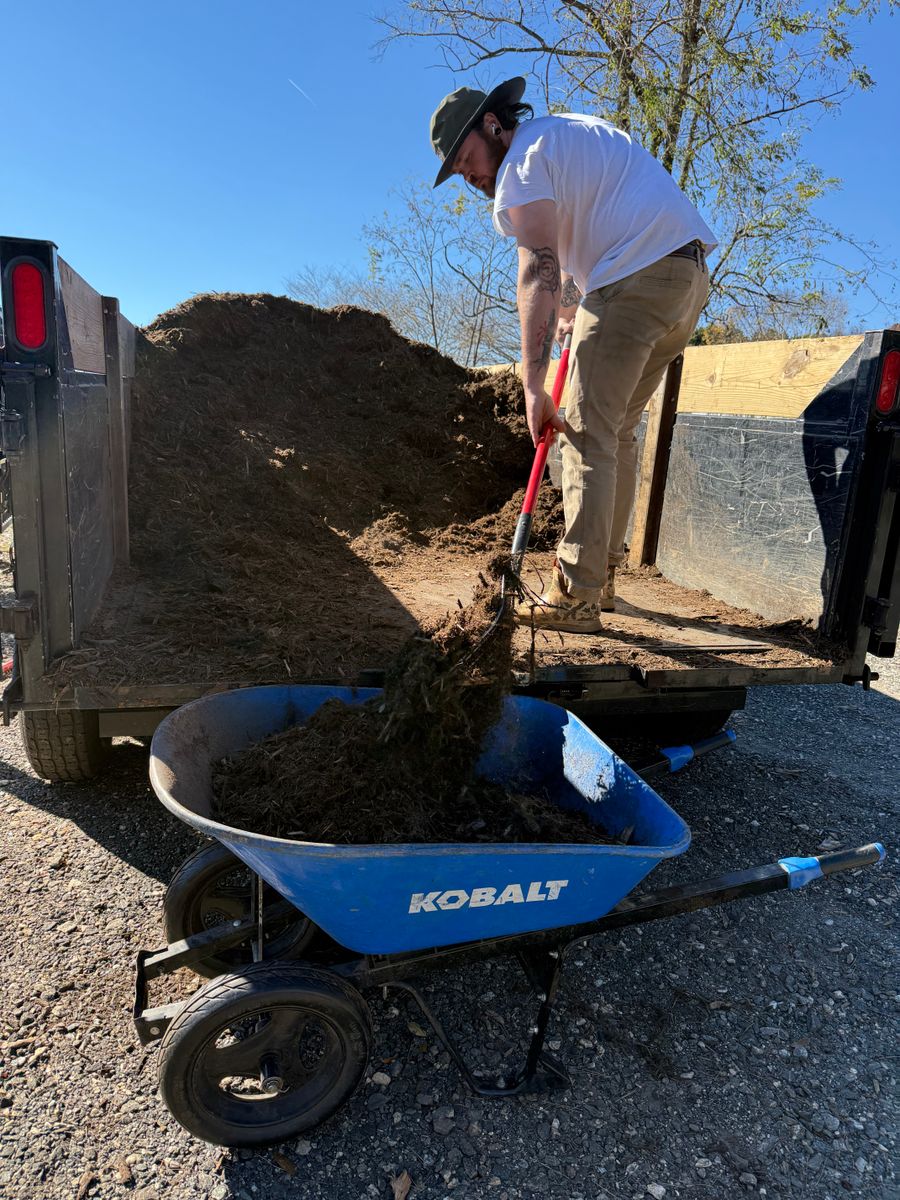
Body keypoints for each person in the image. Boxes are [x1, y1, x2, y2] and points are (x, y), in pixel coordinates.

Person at [429, 77, 716, 633]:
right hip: (684, 278)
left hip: (634, 278)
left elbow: (539, 266)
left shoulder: (521, 163)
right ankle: (602, 578)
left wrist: (533, 385)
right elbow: (605, 216)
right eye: (460, 173)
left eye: (467, 160)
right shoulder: (567, 132)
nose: (470, 176)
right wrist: (573, 307)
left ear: (493, 125)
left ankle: (576, 595)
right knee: (618, 430)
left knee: (584, 432)